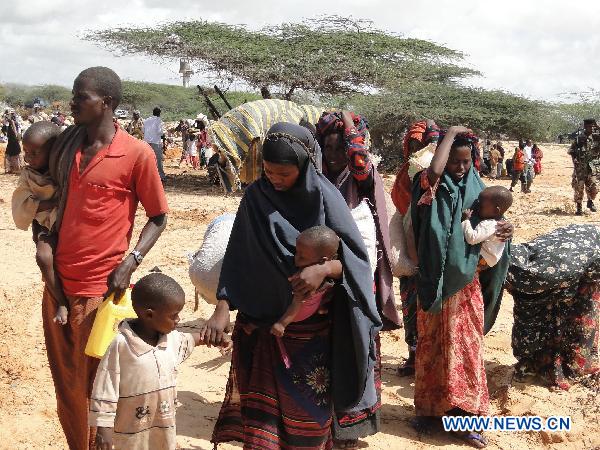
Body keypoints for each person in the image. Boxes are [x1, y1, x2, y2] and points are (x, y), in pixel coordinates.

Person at [205, 122, 381, 450]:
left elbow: (356, 263)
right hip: (260, 332)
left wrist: (325, 268)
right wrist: (222, 307)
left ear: (304, 166)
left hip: (313, 338)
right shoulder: (256, 197)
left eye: (283, 173)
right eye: (269, 171)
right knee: (262, 432)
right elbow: (237, 259)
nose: (275, 179)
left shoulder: (326, 199)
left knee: (309, 427)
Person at [45, 66, 168, 449]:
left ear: (107, 103)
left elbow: (159, 216)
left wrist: (131, 261)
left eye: (81, 96)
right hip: (57, 290)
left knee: (99, 389)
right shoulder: (65, 147)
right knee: (67, 384)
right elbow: (43, 198)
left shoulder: (136, 154)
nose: (73, 102)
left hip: (101, 291)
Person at [411, 127, 512, 448]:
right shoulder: (432, 186)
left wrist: (507, 228)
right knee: (432, 346)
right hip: (432, 282)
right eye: (455, 161)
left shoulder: (479, 191)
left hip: (466, 286)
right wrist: (450, 134)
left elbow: (496, 223)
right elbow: (434, 170)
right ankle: (429, 411)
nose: (460, 168)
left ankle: (466, 417)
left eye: (466, 162)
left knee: (465, 349)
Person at [316, 111, 398, 447]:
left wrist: (351, 134)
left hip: (360, 278)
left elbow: (361, 161)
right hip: (322, 276)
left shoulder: (362, 178)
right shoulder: (315, 178)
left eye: (341, 150)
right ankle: (324, 422)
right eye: (328, 149)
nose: (335, 158)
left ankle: (353, 425)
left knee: (358, 344)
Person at [90, 273, 231, 450]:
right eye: (174, 316)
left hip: (164, 428)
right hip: (129, 433)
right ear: (149, 315)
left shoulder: (171, 340)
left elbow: (191, 340)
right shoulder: (121, 345)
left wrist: (216, 339)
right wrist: (103, 429)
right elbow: (105, 389)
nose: (179, 320)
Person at [506, 224, 600, 391]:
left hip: (578, 263)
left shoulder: (552, 272)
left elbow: (567, 295)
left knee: (576, 316)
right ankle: (531, 361)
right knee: (531, 318)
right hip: (565, 253)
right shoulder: (514, 257)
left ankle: (565, 363)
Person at [390, 120, 440, 377]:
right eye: (413, 144)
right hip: (411, 247)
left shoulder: (444, 171)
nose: (418, 149)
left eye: (424, 143)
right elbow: (399, 204)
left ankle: (432, 357)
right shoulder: (404, 173)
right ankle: (413, 353)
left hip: (434, 245)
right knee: (410, 302)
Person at [12, 121, 69, 325]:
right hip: (46, 226)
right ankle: (61, 301)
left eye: (35, 153)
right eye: (26, 151)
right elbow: (22, 204)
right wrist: (53, 200)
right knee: (43, 257)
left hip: (69, 225)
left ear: (53, 151)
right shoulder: (28, 175)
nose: (28, 157)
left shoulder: (65, 170)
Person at [270, 225, 339, 337]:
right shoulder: (323, 262)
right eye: (296, 252)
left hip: (296, 316)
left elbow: (296, 303)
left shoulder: (305, 278)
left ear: (323, 260)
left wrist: (282, 324)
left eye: (302, 258)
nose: (296, 258)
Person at [462, 186, 513, 267]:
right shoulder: (500, 223)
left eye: (481, 206)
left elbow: (471, 238)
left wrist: (466, 220)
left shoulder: (488, 225)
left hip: (484, 258)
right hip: (490, 259)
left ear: (496, 210)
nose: (477, 207)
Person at [569, 119, 600, 215]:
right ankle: (579, 208)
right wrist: (574, 161)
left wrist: (598, 127)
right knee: (579, 188)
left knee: (594, 187)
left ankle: (590, 201)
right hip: (580, 168)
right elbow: (571, 151)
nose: (590, 128)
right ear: (584, 127)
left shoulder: (596, 138)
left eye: (592, 126)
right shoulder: (579, 139)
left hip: (592, 168)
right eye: (588, 126)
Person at [143, 107, 166, 182]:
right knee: (158, 159)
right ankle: (161, 176)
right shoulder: (158, 120)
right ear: (159, 113)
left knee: (147, 160)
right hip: (155, 142)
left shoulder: (146, 120)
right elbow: (160, 132)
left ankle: (147, 176)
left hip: (146, 142)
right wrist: (163, 135)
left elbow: (143, 130)